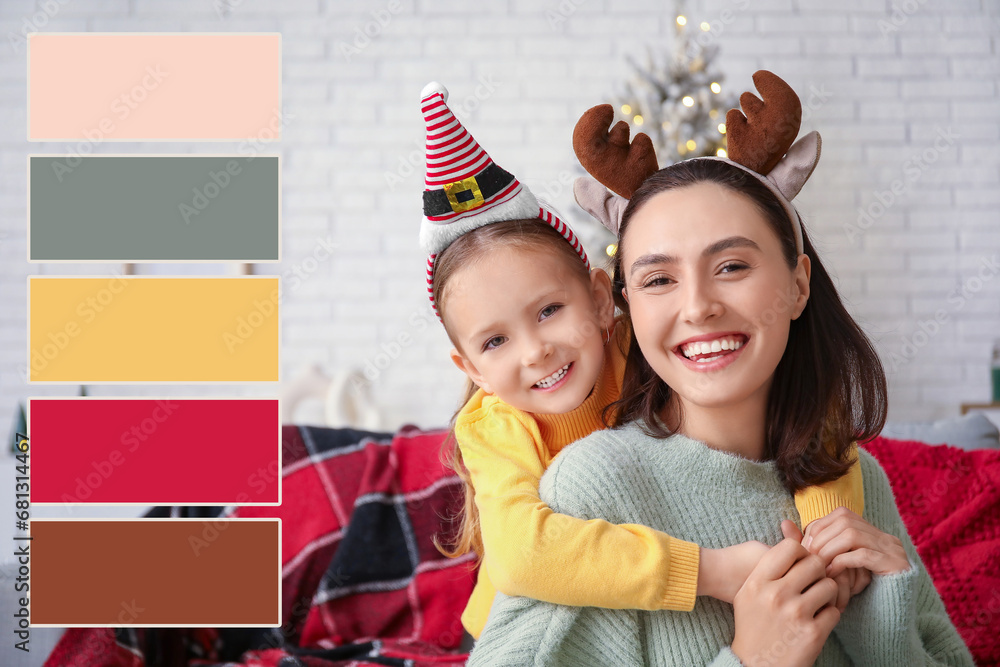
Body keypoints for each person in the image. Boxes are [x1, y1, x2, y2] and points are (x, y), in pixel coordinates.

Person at [466, 72, 975, 666]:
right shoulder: (594, 490)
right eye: (658, 279)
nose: (698, 305)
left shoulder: (856, 479)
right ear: (627, 304)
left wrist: (882, 618)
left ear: (798, 284)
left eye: (732, 266)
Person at [415, 80, 867, 651]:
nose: (535, 352)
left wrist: (826, 525)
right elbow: (524, 556)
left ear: (604, 300)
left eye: (550, 310)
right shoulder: (493, 425)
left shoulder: (645, 342)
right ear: (471, 367)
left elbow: (801, 402)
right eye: (495, 341)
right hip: (534, 617)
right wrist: (710, 571)